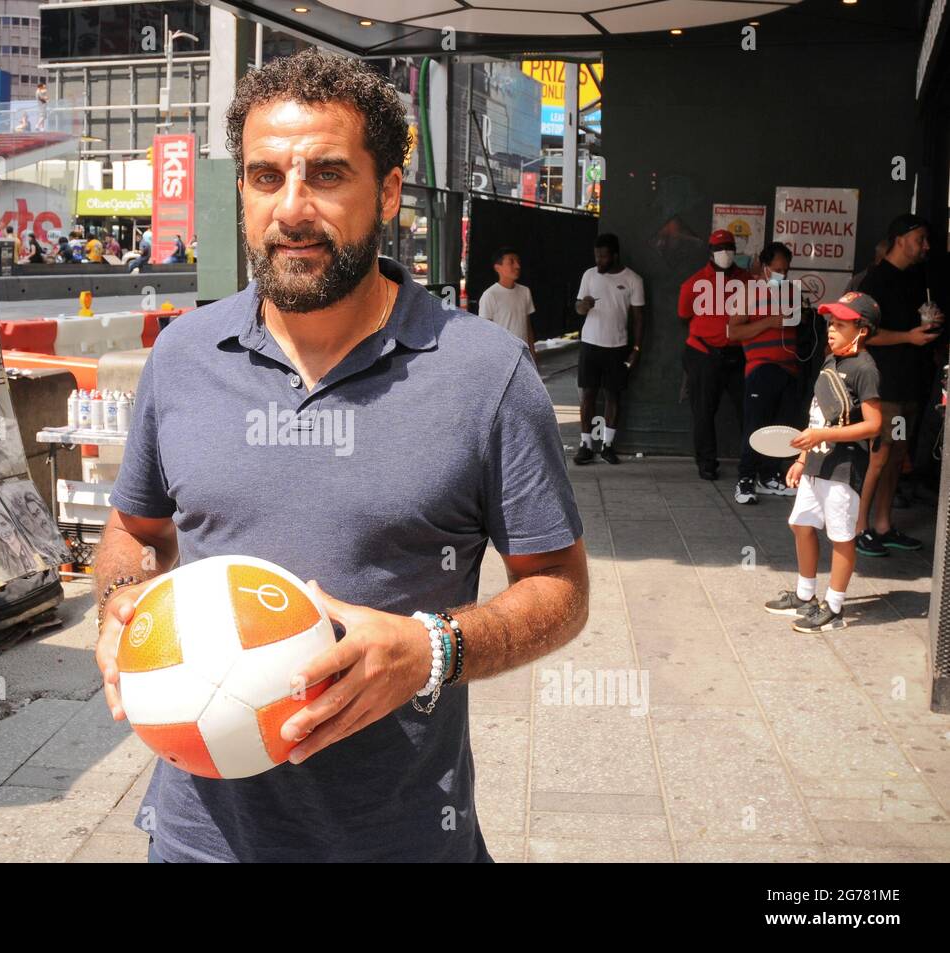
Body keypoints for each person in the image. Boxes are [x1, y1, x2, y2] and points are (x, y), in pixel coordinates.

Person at [93, 48, 587, 864]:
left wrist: (432, 648)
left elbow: (560, 589)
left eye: (326, 174)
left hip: (402, 839)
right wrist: (121, 603)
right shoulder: (182, 356)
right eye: (264, 176)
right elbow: (135, 529)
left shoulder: (485, 373)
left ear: (388, 191)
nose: (292, 209)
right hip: (199, 839)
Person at [764, 292, 883, 632]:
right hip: (816, 464)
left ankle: (833, 607)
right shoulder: (831, 361)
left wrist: (822, 438)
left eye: (841, 325)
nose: (831, 330)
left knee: (841, 537)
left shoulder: (865, 369)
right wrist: (803, 457)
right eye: (831, 323)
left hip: (844, 469)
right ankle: (805, 596)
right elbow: (818, 416)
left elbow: (874, 425)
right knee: (800, 525)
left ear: (862, 330)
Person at [855, 214, 943, 556]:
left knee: (897, 456)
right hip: (884, 388)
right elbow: (864, 334)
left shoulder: (917, 277)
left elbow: (919, 320)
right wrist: (909, 336)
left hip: (909, 388)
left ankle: (883, 525)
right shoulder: (875, 281)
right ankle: (859, 527)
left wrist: (930, 321)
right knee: (878, 457)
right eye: (920, 238)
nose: (926, 246)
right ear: (900, 238)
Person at [726, 242, 801, 504]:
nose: (782, 274)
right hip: (761, 367)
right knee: (756, 426)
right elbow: (732, 331)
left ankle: (770, 476)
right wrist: (770, 321)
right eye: (777, 269)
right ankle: (745, 479)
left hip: (789, 367)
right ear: (764, 267)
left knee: (782, 427)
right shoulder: (748, 292)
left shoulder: (792, 292)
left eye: (786, 270)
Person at [679, 228, 751, 480]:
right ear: (710, 252)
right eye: (719, 249)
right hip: (703, 353)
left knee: (748, 410)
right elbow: (684, 314)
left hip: (738, 354)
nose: (725, 253)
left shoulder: (747, 280)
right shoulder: (695, 282)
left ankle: (750, 463)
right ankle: (706, 462)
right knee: (703, 411)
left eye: (729, 248)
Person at [572, 233, 645, 465]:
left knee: (613, 396)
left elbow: (639, 319)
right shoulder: (589, 275)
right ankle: (585, 445)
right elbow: (578, 308)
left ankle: (608, 446)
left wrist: (636, 348)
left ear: (614, 255)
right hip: (590, 344)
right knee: (588, 395)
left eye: (603, 257)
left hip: (617, 347)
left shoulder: (633, 279)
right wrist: (584, 306)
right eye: (596, 256)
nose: (599, 261)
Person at [478, 246, 537, 371]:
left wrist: (532, 354)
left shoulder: (525, 291)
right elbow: (485, 332)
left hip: (523, 356)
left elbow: (527, 327)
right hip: (501, 358)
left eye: (518, 262)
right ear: (498, 267)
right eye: (511, 262)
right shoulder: (490, 295)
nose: (517, 266)